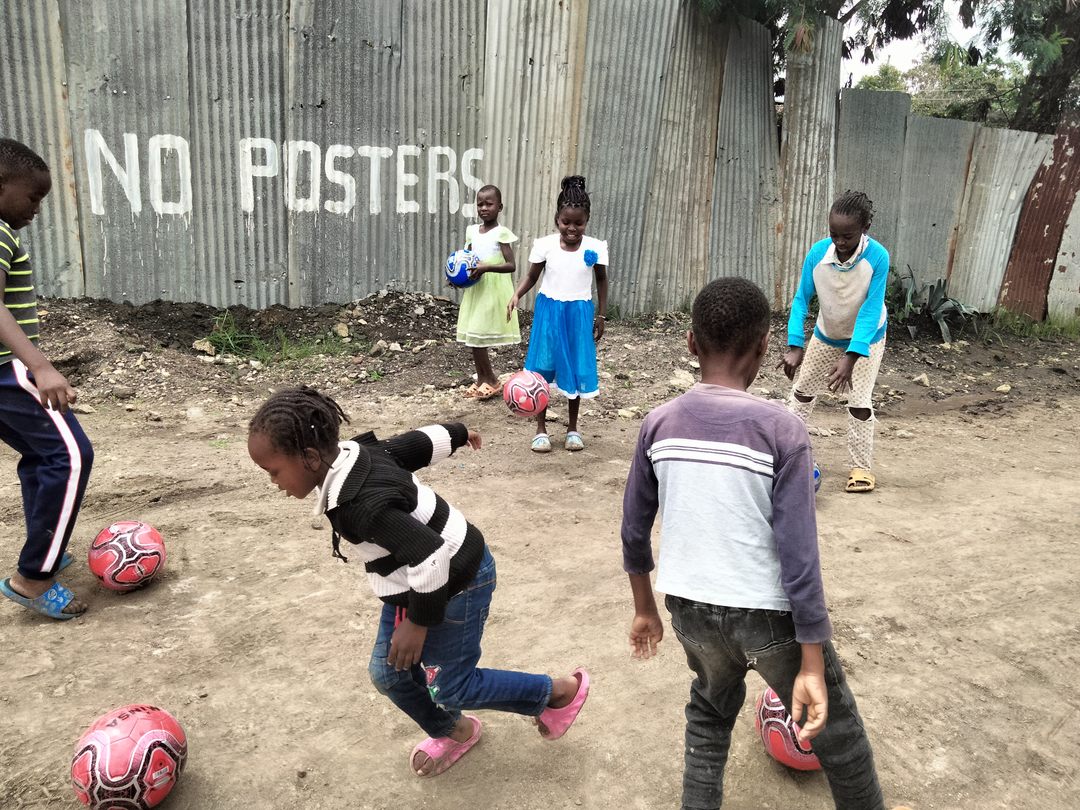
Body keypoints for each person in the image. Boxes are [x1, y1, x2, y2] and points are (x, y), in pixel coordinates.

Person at [622, 278, 884, 809]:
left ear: (691, 342)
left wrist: (645, 609)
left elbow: (633, 529)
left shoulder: (658, 424)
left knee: (709, 714)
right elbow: (799, 555)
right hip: (770, 618)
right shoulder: (781, 430)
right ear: (765, 347)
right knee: (837, 733)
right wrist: (812, 662)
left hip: (690, 610)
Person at [247, 387, 589, 777]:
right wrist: (457, 433)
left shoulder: (359, 506)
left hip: (460, 578)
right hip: (415, 583)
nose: (272, 481)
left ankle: (557, 693)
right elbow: (413, 446)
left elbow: (430, 554)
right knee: (389, 674)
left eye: (273, 471)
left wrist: (417, 624)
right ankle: (455, 730)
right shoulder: (354, 455)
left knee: (453, 686)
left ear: (310, 458)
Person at [0, 138, 93, 621]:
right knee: (71, 456)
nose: (37, 209)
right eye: (33, 196)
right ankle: (33, 579)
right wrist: (39, 365)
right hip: (5, 372)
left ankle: (45, 552)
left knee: (42, 457)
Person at [777, 190, 889, 494]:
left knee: (859, 402)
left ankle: (860, 467)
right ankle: (786, 454)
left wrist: (851, 356)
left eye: (847, 236)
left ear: (865, 228)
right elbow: (801, 299)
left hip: (867, 338)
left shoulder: (878, 257)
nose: (839, 242)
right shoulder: (818, 254)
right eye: (833, 234)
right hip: (827, 333)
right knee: (801, 392)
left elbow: (870, 309)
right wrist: (795, 345)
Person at [506, 175, 608, 453]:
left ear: (587, 221)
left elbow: (601, 280)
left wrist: (601, 315)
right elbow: (532, 276)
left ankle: (573, 429)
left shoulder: (595, 247)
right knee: (542, 367)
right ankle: (541, 430)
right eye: (566, 222)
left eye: (578, 223)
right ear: (557, 220)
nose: (572, 228)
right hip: (549, 313)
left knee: (574, 367)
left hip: (579, 313)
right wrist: (516, 295)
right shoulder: (545, 245)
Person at [456, 184, 520, 400]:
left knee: (478, 336)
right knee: (474, 337)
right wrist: (455, 277)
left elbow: (511, 265)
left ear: (499, 207)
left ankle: (491, 380)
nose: (484, 208)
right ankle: (482, 379)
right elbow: (465, 259)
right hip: (475, 289)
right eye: (480, 204)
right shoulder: (472, 231)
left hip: (492, 290)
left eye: (489, 204)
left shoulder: (501, 233)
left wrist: (486, 267)